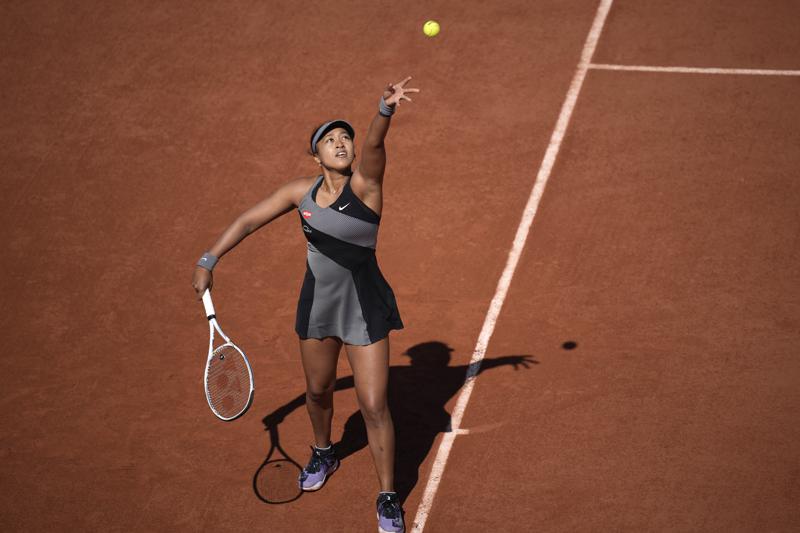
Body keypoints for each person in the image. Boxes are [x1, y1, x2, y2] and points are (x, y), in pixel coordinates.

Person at [192, 77, 419, 533]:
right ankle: (323, 450)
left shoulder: (367, 185)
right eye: (329, 140)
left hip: (364, 307)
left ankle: (388, 496)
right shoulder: (301, 193)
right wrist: (208, 259)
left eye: (344, 138)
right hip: (318, 306)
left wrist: (384, 110)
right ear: (316, 156)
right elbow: (250, 219)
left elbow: (375, 142)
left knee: (373, 404)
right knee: (318, 391)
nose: (341, 143)